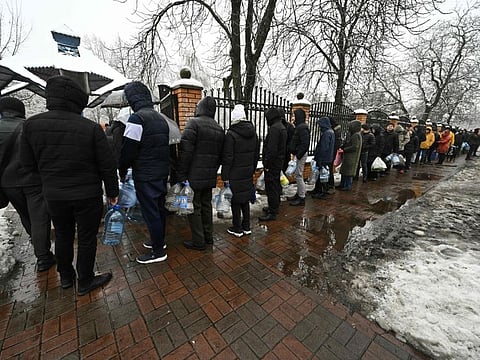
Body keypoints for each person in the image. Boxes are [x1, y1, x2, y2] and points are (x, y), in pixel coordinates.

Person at [20, 75, 119, 296]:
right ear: (77, 101)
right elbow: (107, 165)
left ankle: (66, 277)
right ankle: (85, 280)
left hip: (54, 195)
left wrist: (49, 178)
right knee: (86, 238)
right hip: (87, 194)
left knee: (63, 235)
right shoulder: (91, 129)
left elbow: (27, 164)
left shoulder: (31, 126)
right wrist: (113, 192)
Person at [0, 97, 54, 272]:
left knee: (25, 216)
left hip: (8, 183)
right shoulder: (30, 126)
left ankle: (39, 247)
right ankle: (44, 257)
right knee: (40, 218)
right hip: (33, 181)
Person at [118, 81, 170, 263]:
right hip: (161, 172)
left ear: (132, 99)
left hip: (146, 174)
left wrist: (122, 170)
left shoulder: (136, 119)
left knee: (151, 212)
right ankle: (159, 242)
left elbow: (128, 150)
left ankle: (158, 252)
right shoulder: (161, 118)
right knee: (159, 208)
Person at [177, 96, 224, 250]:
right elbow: (220, 155)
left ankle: (198, 241)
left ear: (200, 108)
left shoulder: (193, 124)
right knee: (206, 206)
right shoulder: (219, 128)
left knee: (194, 208)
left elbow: (185, 153)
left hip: (193, 176)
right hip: (209, 175)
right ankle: (208, 237)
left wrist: (182, 175)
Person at [221, 104, 259, 237]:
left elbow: (228, 157)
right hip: (248, 172)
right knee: (245, 199)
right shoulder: (254, 133)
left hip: (234, 173)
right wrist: (252, 169)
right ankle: (246, 226)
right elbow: (256, 155)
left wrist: (225, 175)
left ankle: (237, 228)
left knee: (236, 200)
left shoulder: (231, 135)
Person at [259, 108, 287, 221]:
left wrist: (267, 164)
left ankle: (272, 211)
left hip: (272, 164)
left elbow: (271, 150)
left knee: (271, 187)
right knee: (275, 186)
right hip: (278, 162)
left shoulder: (275, 129)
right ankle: (274, 206)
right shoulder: (281, 127)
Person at [287, 109, 310, 206]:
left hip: (300, 155)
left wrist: (298, 154)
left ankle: (301, 197)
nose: (292, 117)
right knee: (297, 175)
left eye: (294, 115)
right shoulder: (299, 127)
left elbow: (305, 144)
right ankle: (299, 194)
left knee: (299, 175)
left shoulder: (302, 128)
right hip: (298, 154)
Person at [311, 116, 335, 199]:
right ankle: (318, 190)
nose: (319, 127)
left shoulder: (327, 133)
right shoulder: (330, 132)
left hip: (324, 158)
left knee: (323, 175)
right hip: (327, 158)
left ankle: (322, 192)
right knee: (322, 175)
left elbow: (324, 147)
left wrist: (319, 159)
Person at [339, 120, 362, 191]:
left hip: (352, 157)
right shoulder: (354, 134)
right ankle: (342, 184)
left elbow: (355, 147)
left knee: (349, 172)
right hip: (349, 156)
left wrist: (345, 149)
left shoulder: (356, 135)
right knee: (345, 171)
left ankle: (347, 186)